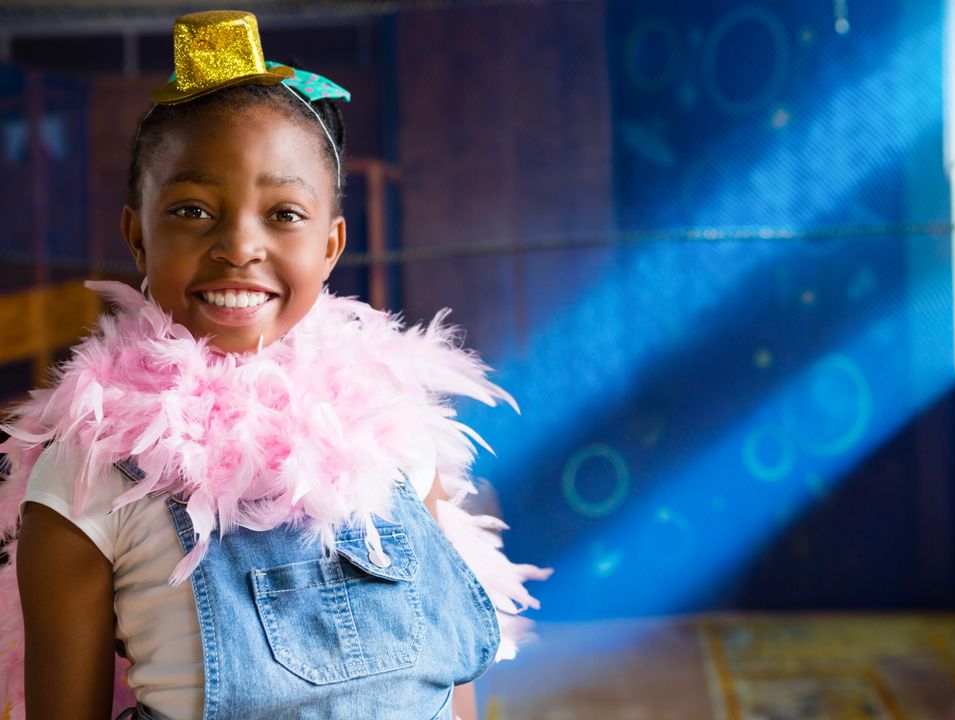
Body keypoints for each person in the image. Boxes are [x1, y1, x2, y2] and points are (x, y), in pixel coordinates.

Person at [0, 10, 549, 720]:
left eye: (284, 213)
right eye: (194, 210)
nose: (238, 245)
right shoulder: (88, 476)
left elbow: (450, 682)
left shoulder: (394, 433)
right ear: (136, 236)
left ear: (331, 243)